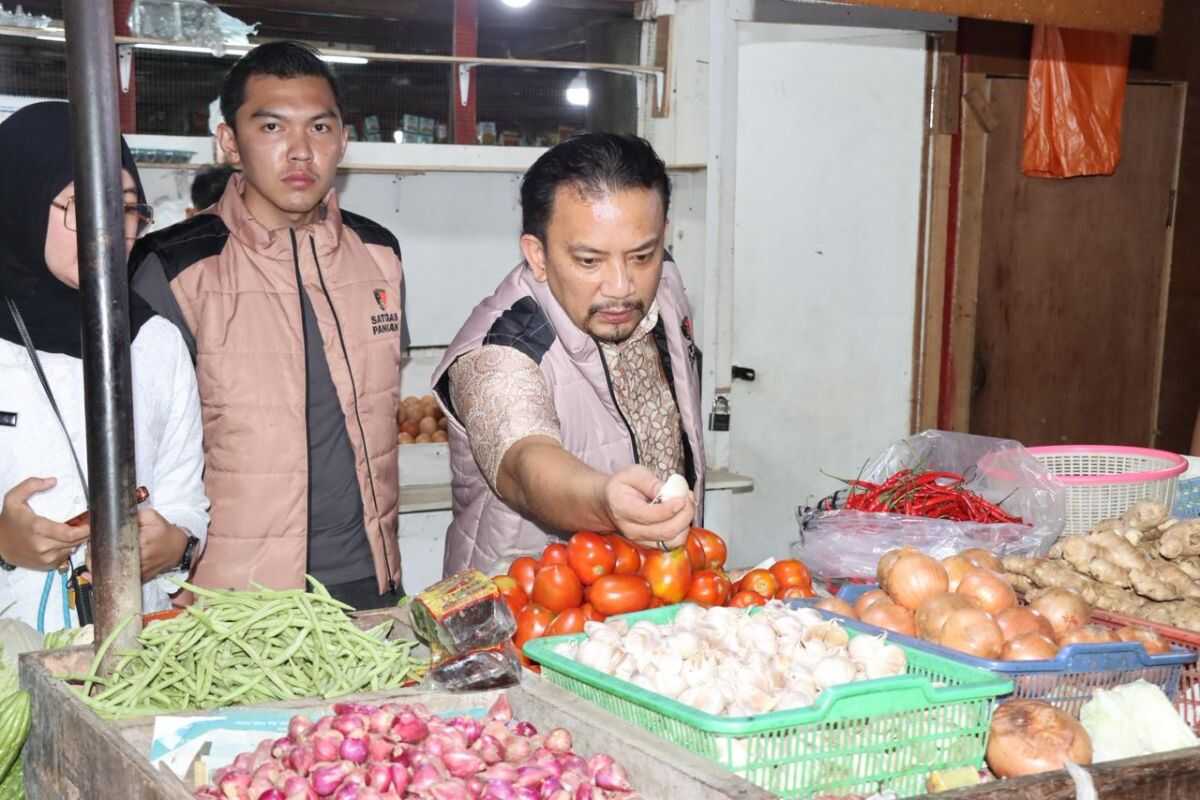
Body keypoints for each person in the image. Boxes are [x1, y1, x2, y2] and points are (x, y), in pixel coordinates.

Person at [130, 42, 405, 609]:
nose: (301, 151)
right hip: (231, 602)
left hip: (368, 582)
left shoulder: (379, 254)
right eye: (273, 127)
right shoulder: (174, 266)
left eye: (320, 128)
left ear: (343, 140)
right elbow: (142, 445)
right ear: (229, 141)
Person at [432, 133, 705, 575]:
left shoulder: (665, 282)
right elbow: (525, 465)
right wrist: (604, 502)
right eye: (589, 261)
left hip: (658, 587)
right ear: (537, 255)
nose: (621, 287)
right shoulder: (500, 350)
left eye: (642, 255)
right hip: (525, 603)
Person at [0, 101, 209, 631]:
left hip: (133, 640)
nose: (109, 227)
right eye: (82, 204)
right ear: (19, 200)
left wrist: (175, 543)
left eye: (127, 206)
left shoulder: (154, 340)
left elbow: (184, 496)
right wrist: (3, 543)